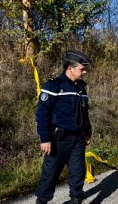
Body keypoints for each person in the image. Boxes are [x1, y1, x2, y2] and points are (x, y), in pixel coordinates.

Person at [35, 50, 93, 204]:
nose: (85, 72)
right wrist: (45, 138)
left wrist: (88, 133)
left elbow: (84, 114)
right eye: (82, 69)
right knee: (50, 174)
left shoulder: (81, 89)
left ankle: (76, 199)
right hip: (58, 140)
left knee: (78, 173)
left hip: (78, 139)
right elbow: (42, 114)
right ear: (70, 69)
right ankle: (42, 201)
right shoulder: (54, 85)